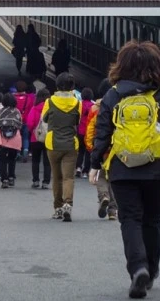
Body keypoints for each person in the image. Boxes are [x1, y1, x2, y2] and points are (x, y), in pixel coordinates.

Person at [90, 41, 160, 299]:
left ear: (122, 65)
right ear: (158, 66)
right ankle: (151, 271)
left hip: (122, 168)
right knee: (152, 219)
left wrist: (95, 164)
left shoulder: (113, 95)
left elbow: (102, 132)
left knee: (130, 218)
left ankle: (137, 267)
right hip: (157, 170)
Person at [42, 72, 81, 221]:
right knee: (68, 177)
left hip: (53, 143)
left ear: (57, 85)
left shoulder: (50, 101)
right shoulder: (77, 103)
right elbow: (77, 121)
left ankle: (58, 208)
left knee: (57, 177)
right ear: (72, 87)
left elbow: (45, 118)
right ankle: (68, 204)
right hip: (71, 143)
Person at [85, 79, 117, 221]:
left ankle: (104, 196)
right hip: (116, 148)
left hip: (100, 147)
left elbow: (90, 129)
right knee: (113, 178)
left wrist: (90, 146)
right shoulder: (120, 105)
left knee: (101, 176)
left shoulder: (95, 108)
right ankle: (113, 210)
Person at [0, 92, 24, 189]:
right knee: (12, 159)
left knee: (2, 160)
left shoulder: (0, 111)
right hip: (14, 138)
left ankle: (4, 180)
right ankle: (11, 177)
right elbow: (20, 124)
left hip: (2, 138)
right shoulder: (17, 111)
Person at [26, 88, 52, 189]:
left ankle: (36, 180)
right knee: (47, 161)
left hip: (36, 137)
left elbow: (30, 123)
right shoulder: (51, 109)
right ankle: (46, 182)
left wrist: (33, 131)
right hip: (48, 137)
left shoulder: (34, 108)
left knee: (35, 160)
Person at [75, 87, 94, 178]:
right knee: (88, 152)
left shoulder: (79, 105)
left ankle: (78, 168)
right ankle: (86, 171)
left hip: (80, 131)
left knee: (80, 151)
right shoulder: (93, 106)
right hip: (89, 132)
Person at [14, 81, 35, 162]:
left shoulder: (13, 98)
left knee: (16, 137)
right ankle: (25, 151)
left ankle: (17, 153)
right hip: (26, 120)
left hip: (16, 121)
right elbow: (31, 110)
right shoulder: (29, 98)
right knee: (26, 137)